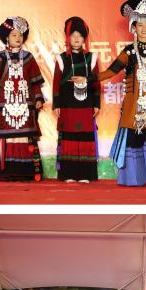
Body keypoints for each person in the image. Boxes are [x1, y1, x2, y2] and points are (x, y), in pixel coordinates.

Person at [98, 0, 146, 185]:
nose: (144, 28)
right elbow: (111, 71)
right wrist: (88, 79)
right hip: (134, 107)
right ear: (133, 27)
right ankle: (134, 178)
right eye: (140, 25)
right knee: (134, 139)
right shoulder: (129, 52)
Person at [0, 16, 47, 180]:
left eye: (20, 35)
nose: (18, 38)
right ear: (6, 37)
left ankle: (27, 172)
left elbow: (35, 82)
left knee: (25, 138)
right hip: (5, 106)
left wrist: (38, 98)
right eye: (14, 35)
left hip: (25, 105)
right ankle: (7, 172)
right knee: (8, 139)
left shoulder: (29, 58)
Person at [53, 16, 101, 182]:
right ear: (68, 37)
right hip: (67, 104)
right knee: (69, 137)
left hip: (86, 104)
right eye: (73, 35)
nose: (76, 39)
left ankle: (85, 174)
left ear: (84, 38)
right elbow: (56, 83)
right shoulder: (61, 58)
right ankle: (69, 174)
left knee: (85, 136)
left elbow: (96, 82)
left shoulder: (91, 58)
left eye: (80, 36)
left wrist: (97, 104)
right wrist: (56, 104)